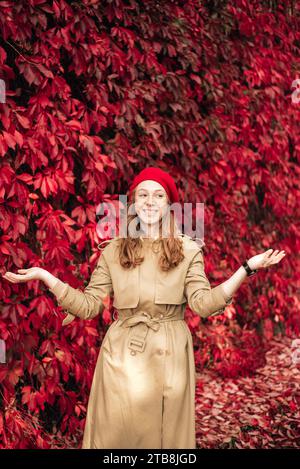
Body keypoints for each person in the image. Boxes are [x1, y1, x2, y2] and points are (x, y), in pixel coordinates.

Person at [2, 167, 286, 449]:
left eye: (158, 195)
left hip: (169, 354)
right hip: (121, 356)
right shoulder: (113, 250)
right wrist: (44, 275)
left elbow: (203, 304)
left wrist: (246, 268)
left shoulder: (188, 251)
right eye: (143, 194)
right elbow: (88, 306)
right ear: (134, 202)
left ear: (168, 204)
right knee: (115, 440)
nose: (150, 201)